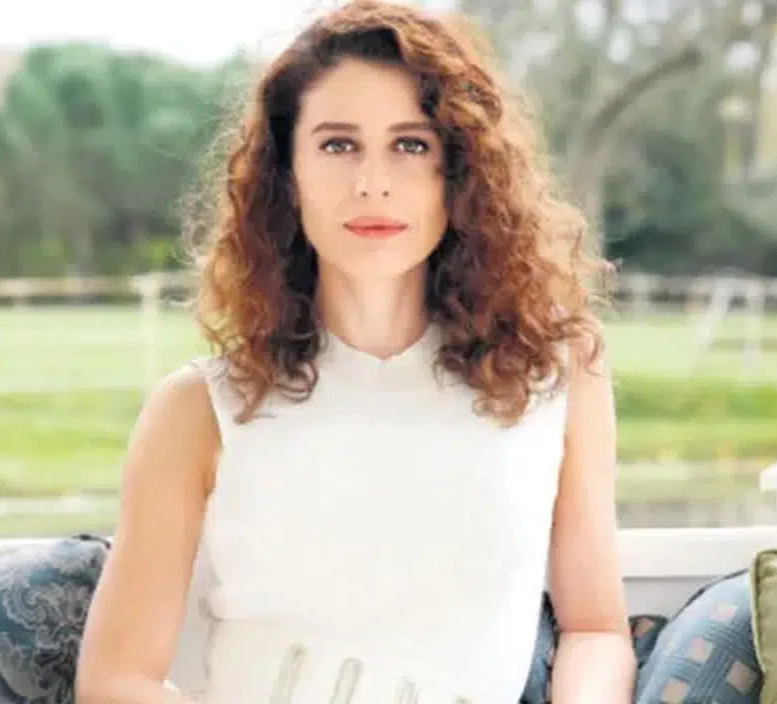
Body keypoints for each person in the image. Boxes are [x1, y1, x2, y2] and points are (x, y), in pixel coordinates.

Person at [75, 1, 635, 702]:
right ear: (288, 175)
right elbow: (115, 681)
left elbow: (594, 629)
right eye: (338, 145)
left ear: (460, 171)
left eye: (411, 145)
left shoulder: (557, 374)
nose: (373, 182)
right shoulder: (199, 408)